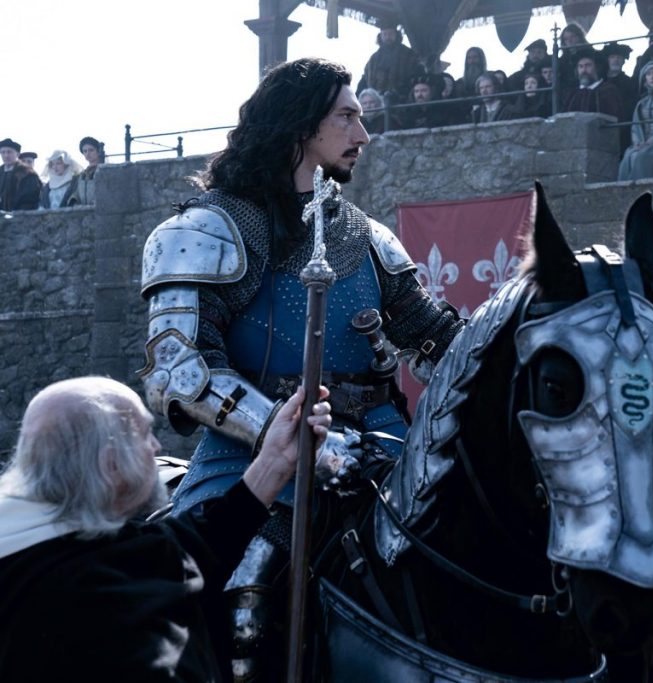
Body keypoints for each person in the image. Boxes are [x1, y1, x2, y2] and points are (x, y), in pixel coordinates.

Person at [139, 56, 464, 679]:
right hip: (254, 460)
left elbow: (438, 341)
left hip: (384, 452)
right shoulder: (208, 230)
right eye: (346, 117)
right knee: (241, 586)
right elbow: (179, 371)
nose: (363, 134)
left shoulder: (366, 237)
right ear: (299, 123)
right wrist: (295, 438)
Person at [0, 376, 332, 682]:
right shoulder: (107, 604)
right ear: (110, 463)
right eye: (144, 435)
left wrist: (276, 459)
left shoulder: (56, 544)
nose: (156, 447)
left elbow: (199, 542)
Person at [618, 61, 653, 181]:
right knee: (629, 155)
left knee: (641, 157)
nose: (652, 77)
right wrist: (637, 142)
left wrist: (652, 141)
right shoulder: (641, 103)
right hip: (643, 143)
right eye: (648, 74)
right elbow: (635, 126)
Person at [356, 20, 424, 104]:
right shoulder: (373, 59)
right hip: (376, 103)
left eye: (390, 34)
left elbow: (416, 78)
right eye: (385, 34)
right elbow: (365, 80)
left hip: (402, 101)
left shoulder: (409, 55)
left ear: (396, 35)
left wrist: (397, 93)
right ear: (380, 36)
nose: (388, 37)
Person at [562, 47, 626, 126]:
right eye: (580, 66)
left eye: (588, 65)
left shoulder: (608, 91)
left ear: (597, 68)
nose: (584, 70)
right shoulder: (572, 94)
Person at [0, 138, 42, 212]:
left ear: (17, 154)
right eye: (3, 152)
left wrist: (15, 214)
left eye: (9, 152)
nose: (6, 155)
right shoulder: (1, 171)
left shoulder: (27, 173)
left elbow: (30, 199)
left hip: (21, 215)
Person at [76, 135, 105, 205]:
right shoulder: (82, 175)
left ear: (98, 151)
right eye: (85, 151)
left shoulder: (105, 171)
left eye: (91, 150)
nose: (88, 154)